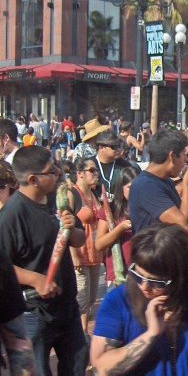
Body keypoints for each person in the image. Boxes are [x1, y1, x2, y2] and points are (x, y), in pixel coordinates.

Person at [90, 223, 188, 375]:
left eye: (157, 282)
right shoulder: (117, 301)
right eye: (137, 275)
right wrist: (151, 334)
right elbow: (101, 368)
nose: (145, 286)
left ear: (180, 277)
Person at [0, 146, 88, 375]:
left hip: (67, 307)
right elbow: (3, 267)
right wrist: (36, 279)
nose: (58, 173)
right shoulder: (11, 215)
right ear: (33, 179)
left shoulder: (56, 201)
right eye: (51, 171)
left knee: (77, 364)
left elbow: (79, 239)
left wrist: (70, 227)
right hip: (35, 313)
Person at [129, 128, 188, 234]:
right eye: (183, 154)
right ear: (172, 156)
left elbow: (181, 214)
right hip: (154, 250)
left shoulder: (165, 180)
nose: (185, 159)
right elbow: (184, 226)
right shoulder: (146, 186)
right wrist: (186, 184)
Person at [67, 157, 103, 336]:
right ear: (79, 173)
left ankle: (83, 333)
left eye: (96, 170)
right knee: (81, 298)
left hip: (95, 254)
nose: (95, 174)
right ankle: (81, 335)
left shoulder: (95, 194)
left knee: (90, 298)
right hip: (79, 255)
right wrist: (73, 254)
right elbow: (66, 226)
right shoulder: (72, 194)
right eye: (91, 170)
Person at [95, 167, 139, 289]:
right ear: (121, 188)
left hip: (142, 273)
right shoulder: (111, 210)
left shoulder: (145, 208)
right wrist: (119, 229)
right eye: (130, 187)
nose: (135, 191)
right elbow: (99, 244)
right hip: (118, 275)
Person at [93, 130, 133, 201]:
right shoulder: (90, 166)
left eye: (119, 145)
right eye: (114, 147)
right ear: (101, 148)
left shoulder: (125, 166)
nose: (118, 149)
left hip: (119, 208)